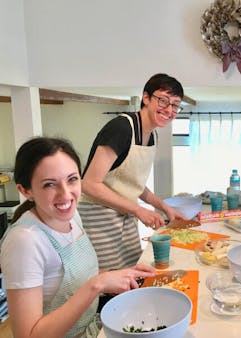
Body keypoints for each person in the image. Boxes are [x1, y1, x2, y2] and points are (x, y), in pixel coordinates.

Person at [0, 137, 156, 338]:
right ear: (26, 191)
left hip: (94, 327)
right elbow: (28, 335)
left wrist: (119, 275)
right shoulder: (24, 241)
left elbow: (78, 273)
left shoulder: (73, 216)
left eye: (72, 179)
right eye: (49, 184)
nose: (66, 194)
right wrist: (97, 285)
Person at [79, 73, 186, 271]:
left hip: (124, 215)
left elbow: (132, 183)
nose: (169, 110)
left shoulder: (151, 135)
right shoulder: (122, 128)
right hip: (98, 218)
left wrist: (164, 207)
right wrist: (138, 210)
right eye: (163, 100)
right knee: (109, 283)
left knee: (130, 277)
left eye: (175, 105)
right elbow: (89, 184)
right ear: (146, 98)